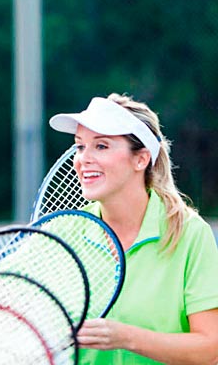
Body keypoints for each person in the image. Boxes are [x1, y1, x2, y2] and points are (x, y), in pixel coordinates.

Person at [49, 94, 218, 364]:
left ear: (141, 159)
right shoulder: (61, 233)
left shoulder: (191, 234)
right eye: (80, 147)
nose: (83, 159)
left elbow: (211, 347)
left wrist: (127, 337)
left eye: (101, 146)